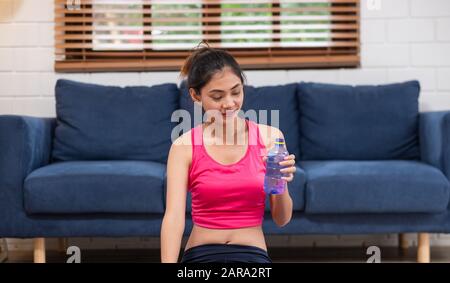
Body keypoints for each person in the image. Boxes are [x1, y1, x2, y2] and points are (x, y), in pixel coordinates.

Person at [160, 45, 296, 263]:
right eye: (217, 96)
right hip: (201, 255)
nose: (229, 103)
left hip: (252, 255)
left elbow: (282, 219)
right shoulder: (183, 146)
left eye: (236, 91)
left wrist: (280, 182)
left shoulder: (270, 137)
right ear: (195, 95)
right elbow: (174, 217)